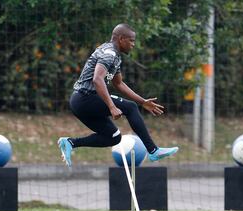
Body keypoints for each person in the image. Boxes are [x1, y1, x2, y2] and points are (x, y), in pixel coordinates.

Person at [58, 23, 179, 167]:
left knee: (113, 137)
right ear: (121, 39)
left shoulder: (113, 54)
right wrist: (111, 106)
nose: (133, 45)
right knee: (130, 107)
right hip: (85, 99)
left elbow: (119, 84)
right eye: (131, 40)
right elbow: (97, 79)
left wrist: (143, 101)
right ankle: (153, 151)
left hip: (80, 103)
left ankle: (70, 142)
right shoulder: (110, 54)